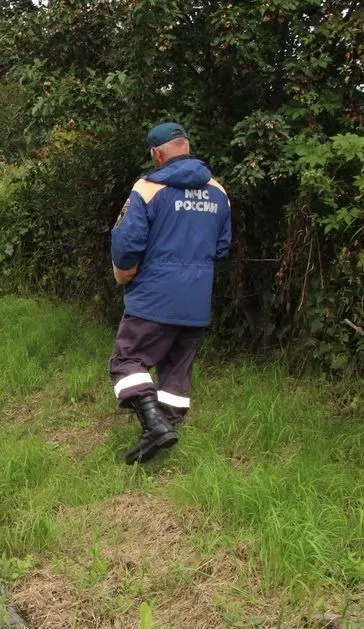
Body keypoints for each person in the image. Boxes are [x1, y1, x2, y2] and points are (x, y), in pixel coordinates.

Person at [108, 122, 232, 464]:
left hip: (153, 297)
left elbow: (127, 244)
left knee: (126, 360)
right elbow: (221, 248)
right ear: (187, 147)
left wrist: (126, 273)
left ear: (157, 153)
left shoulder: (147, 188)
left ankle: (153, 424)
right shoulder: (218, 192)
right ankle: (159, 436)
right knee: (176, 371)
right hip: (196, 300)